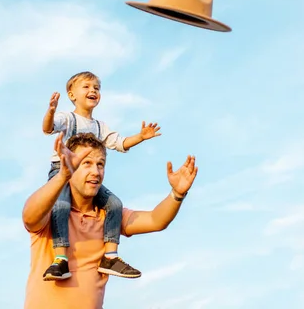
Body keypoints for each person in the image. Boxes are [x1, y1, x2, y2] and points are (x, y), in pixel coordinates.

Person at [22, 132, 198, 309]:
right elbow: (30, 216)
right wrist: (62, 177)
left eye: (100, 164)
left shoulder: (109, 217)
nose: (95, 172)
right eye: (86, 163)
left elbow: (155, 220)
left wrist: (177, 194)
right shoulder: (53, 211)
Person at [41, 71, 162, 280]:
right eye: (86, 87)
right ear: (72, 94)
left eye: (96, 88)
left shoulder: (99, 126)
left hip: (87, 178)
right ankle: (60, 259)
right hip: (62, 172)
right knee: (60, 206)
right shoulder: (67, 118)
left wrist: (141, 137)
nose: (93, 91)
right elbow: (48, 128)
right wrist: (51, 111)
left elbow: (119, 143)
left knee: (114, 204)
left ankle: (110, 256)